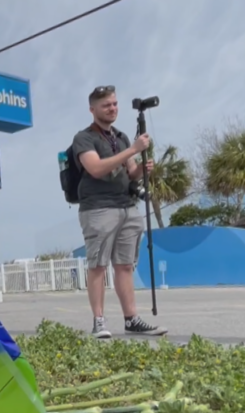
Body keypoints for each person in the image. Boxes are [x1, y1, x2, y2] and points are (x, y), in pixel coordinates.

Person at [72, 86, 167, 339]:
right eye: (106, 105)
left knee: (125, 265)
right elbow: (95, 168)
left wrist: (142, 168)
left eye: (114, 104)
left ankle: (131, 319)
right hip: (98, 208)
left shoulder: (122, 137)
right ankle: (99, 321)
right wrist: (133, 149)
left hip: (127, 206)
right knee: (98, 266)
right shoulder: (84, 138)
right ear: (93, 109)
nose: (112, 108)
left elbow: (130, 170)